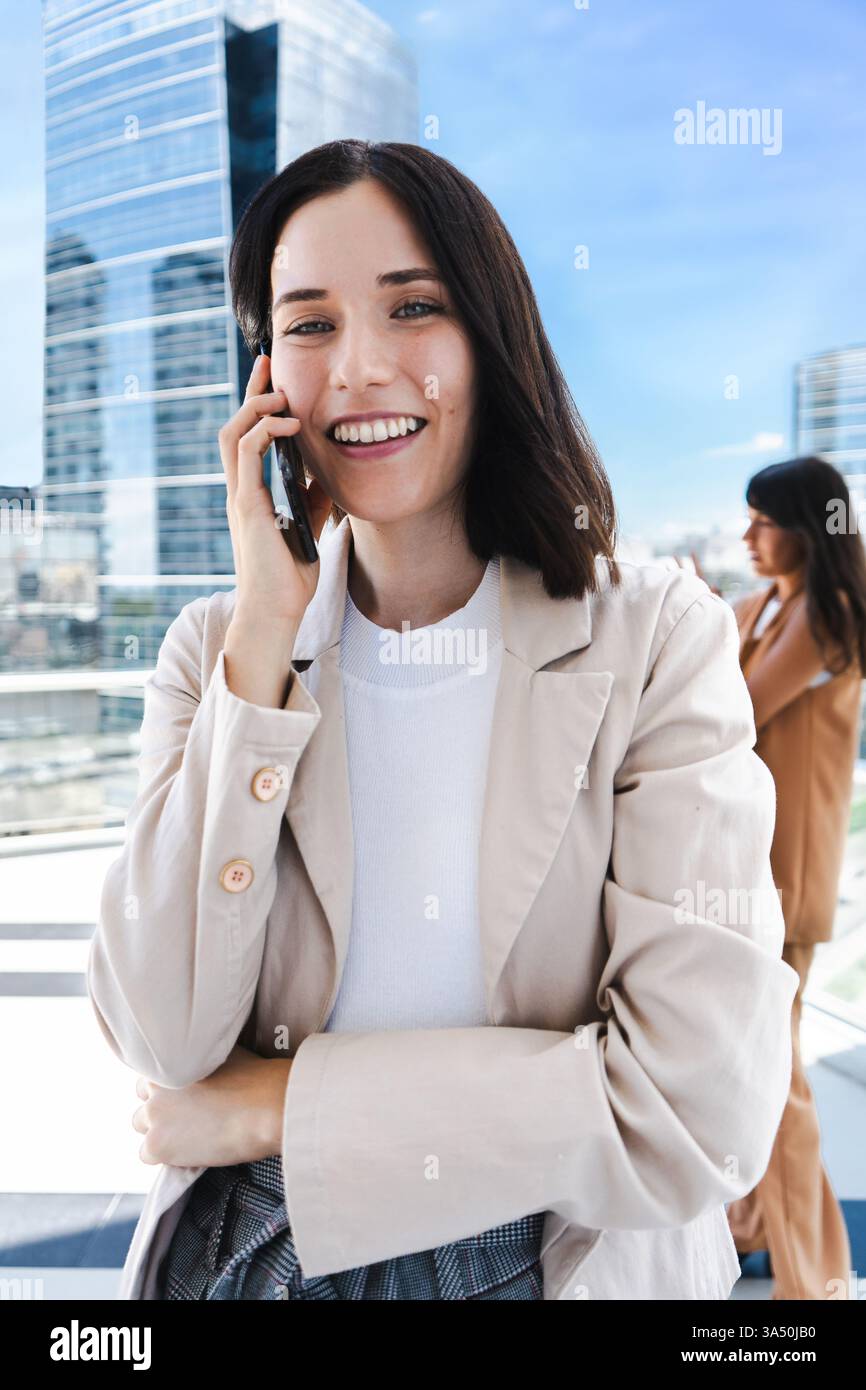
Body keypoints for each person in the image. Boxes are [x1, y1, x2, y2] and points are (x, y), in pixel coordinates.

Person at [87, 140, 799, 1301]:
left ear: (488, 337)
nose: (359, 368)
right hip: (253, 1254)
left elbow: (694, 1108)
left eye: (412, 307)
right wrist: (265, 638)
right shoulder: (217, 650)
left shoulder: (653, 634)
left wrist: (277, 1105)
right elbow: (163, 1040)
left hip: (547, 1253)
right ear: (266, 374)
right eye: (308, 324)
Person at [689, 456, 866, 1299]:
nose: (748, 535)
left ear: (807, 529)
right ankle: (752, 1229)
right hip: (748, 871)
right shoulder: (773, 602)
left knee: (779, 1084)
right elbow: (706, 634)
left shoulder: (827, 614)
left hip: (787, 880)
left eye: (763, 521)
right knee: (751, 1067)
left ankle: (817, 1284)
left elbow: (739, 706)